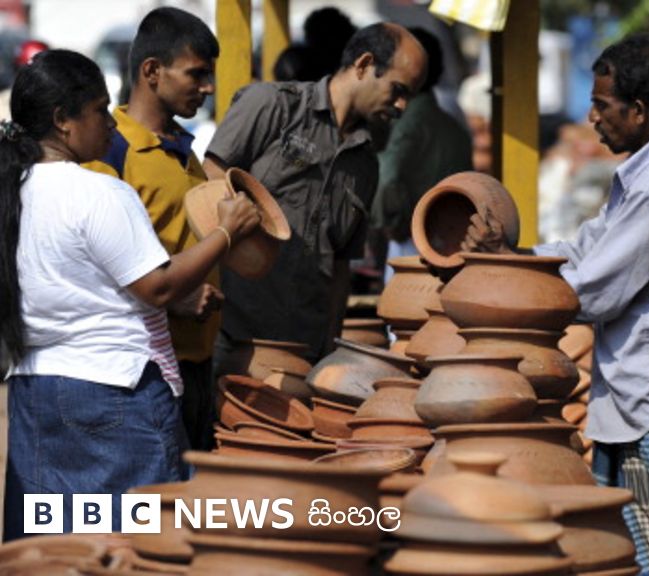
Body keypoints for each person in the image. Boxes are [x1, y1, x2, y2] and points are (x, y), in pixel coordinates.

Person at [465, 35, 649, 575]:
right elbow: (587, 247)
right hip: (637, 394)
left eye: (601, 105)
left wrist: (512, 282)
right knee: (637, 555)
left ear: (639, 110)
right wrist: (515, 257)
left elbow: (597, 287)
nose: (591, 117)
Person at [0, 49, 260, 540]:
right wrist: (225, 234)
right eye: (100, 110)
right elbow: (157, 285)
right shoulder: (98, 193)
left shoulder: (15, 189)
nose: (111, 123)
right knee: (139, 540)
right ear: (62, 121)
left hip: (38, 391)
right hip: (113, 393)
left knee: (54, 542)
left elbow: (83, 284)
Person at [203, 23, 426, 364]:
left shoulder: (365, 165)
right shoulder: (272, 106)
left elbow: (340, 267)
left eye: (409, 96)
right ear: (364, 65)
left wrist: (328, 353)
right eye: (398, 89)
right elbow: (209, 183)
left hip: (302, 348)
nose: (401, 105)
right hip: (232, 337)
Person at [84, 7, 222, 452]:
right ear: (152, 72)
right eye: (196, 74)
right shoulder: (110, 153)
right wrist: (172, 300)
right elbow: (88, 265)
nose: (208, 87)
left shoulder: (184, 149)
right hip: (142, 374)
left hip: (197, 364)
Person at [371, 27, 472, 280]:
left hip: (412, 244)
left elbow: (387, 179)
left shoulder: (408, 122)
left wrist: (391, 225)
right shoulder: (454, 128)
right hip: (452, 244)